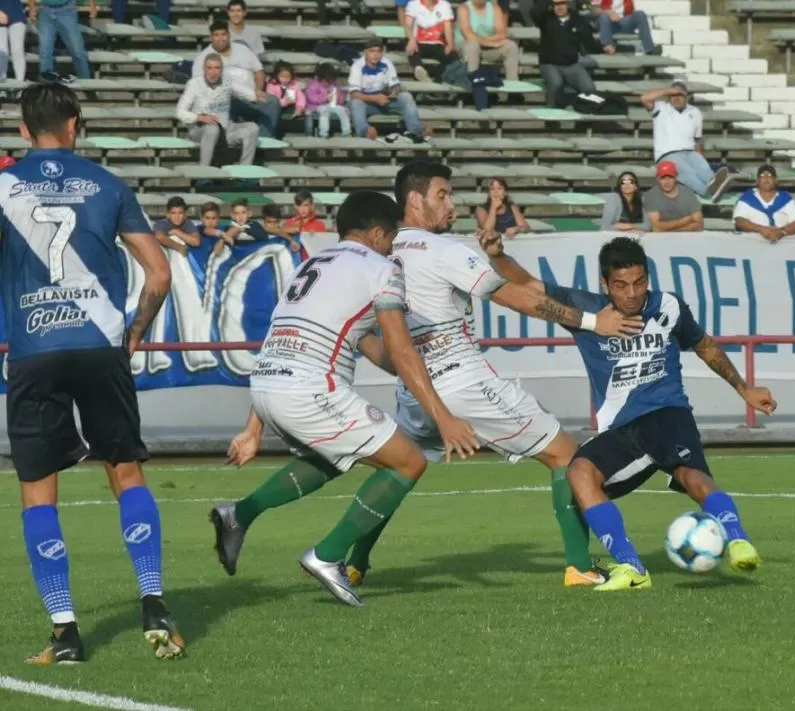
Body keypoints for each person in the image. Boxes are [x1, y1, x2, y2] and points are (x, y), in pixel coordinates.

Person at [212, 161, 645, 591]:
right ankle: (579, 566)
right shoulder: (440, 251)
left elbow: (376, 344)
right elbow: (515, 297)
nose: (451, 204)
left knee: (393, 465)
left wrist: (254, 424)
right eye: (443, 194)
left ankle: (355, 561)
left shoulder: (362, 256)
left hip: (408, 389)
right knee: (564, 455)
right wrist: (592, 322)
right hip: (461, 384)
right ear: (414, 200)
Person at [213, 191, 478, 607]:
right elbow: (402, 349)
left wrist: (253, 427)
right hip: (309, 390)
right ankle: (328, 556)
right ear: (377, 233)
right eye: (391, 238)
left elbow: (365, 345)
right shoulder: (381, 267)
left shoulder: (313, 263)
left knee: (331, 458)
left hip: (267, 384)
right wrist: (443, 417)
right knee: (408, 462)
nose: (393, 247)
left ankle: (238, 515)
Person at [479, 234, 777, 590]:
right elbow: (526, 284)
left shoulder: (668, 306)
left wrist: (744, 388)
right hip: (623, 430)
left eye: (639, 283)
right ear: (605, 284)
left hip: (668, 413)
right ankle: (663, 557)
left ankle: (717, 545)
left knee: (665, 475)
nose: (632, 293)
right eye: (621, 285)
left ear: (647, 278)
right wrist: (498, 255)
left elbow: (704, 345)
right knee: (600, 473)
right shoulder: (586, 310)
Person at [0, 83, 181, 663]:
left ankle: (66, 632)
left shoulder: (4, 187)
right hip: (101, 346)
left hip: (33, 349)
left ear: (23, 131)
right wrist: (134, 332)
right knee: (125, 473)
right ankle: (152, 602)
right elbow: (157, 274)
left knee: (38, 494)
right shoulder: (109, 185)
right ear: (75, 125)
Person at [640, 81, 732, 202]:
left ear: (687, 97)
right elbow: (644, 98)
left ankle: (716, 187)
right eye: (673, 95)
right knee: (687, 173)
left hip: (690, 151)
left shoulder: (695, 112)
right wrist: (668, 91)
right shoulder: (661, 108)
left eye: (680, 95)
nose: (676, 98)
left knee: (704, 169)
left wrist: (700, 158)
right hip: (667, 153)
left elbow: (697, 140)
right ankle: (708, 192)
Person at [191, 20, 281, 139]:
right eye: (216, 35)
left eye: (223, 34)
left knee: (272, 102)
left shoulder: (242, 49)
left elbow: (259, 70)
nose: (221, 38)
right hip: (223, 100)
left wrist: (258, 89)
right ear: (211, 37)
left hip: (250, 98)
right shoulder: (203, 58)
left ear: (229, 35)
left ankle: (263, 141)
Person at [177, 52, 260, 168]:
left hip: (225, 128)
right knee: (212, 129)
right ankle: (204, 170)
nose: (213, 72)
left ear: (221, 70)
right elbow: (180, 112)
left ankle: (245, 171)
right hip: (200, 130)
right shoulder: (194, 84)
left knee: (252, 128)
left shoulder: (227, 82)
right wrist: (200, 117)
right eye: (209, 68)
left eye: (217, 68)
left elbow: (247, 93)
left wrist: (258, 95)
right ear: (204, 69)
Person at [348, 38, 424, 143]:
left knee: (406, 97)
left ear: (382, 52)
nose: (375, 55)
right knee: (355, 103)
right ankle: (365, 132)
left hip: (385, 100)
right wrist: (374, 98)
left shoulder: (387, 63)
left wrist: (394, 93)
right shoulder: (357, 67)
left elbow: (396, 85)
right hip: (366, 102)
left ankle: (414, 132)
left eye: (378, 52)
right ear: (365, 52)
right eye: (372, 51)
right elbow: (354, 94)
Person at [532, 0, 600, 108]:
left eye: (562, 4)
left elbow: (589, 41)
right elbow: (535, 12)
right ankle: (551, 118)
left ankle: (582, 120)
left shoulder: (577, 20)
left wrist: (605, 46)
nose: (559, 7)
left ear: (568, 4)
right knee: (556, 84)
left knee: (589, 89)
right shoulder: (546, 18)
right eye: (556, 4)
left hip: (572, 64)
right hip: (549, 64)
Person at [732, 164, 795, 242]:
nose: (766, 178)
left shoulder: (786, 198)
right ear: (757, 181)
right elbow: (740, 221)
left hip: (782, 244)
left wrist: (781, 232)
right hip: (753, 245)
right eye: (762, 176)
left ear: (776, 180)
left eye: (770, 176)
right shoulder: (747, 198)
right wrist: (762, 229)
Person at [28, 0, 94, 81]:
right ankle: (46, 86)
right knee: (45, 52)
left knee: (78, 52)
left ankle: (86, 85)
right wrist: (32, 6)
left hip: (67, 11)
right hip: (45, 11)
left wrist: (92, 5)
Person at [456, 0, 520, 80]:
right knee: (473, 45)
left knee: (511, 46)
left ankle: (513, 84)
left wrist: (485, 42)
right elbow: (468, 35)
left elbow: (502, 34)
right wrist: (491, 43)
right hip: (466, 48)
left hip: (488, 49)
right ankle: (474, 84)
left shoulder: (495, 8)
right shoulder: (464, 8)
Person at [404, 0, 460, 82]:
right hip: (418, 43)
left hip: (438, 44)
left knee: (453, 57)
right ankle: (419, 69)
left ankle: (438, 79)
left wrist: (450, 44)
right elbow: (407, 26)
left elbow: (448, 28)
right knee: (412, 48)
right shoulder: (413, 4)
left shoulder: (445, 5)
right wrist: (411, 40)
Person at [643, 161, 703, 232]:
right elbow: (656, 227)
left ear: (676, 177)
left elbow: (699, 225)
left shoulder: (688, 193)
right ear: (657, 178)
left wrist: (674, 229)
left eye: (670, 177)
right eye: (663, 177)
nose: (667, 181)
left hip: (686, 237)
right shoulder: (650, 196)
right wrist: (684, 221)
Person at [589, 0, 654, 56]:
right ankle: (607, 46)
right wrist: (608, 12)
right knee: (604, 17)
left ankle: (650, 50)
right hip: (607, 23)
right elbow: (593, 10)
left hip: (623, 21)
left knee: (640, 14)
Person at [304, 62, 351, 138]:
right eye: (328, 81)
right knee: (324, 111)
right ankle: (323, 133)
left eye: (332, 81)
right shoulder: (314, 84)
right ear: (321, 78)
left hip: (332, 105)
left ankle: (346, 132)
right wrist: (325, 98)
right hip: (316, 106)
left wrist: (338, 99)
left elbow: (341, 96)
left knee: (343, 111)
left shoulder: (334, 84)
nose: (330, 83)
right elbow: (311, 98)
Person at [0, 0, 28, 84]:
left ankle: (20, 85)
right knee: (2, 51)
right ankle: (2, 86)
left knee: (18, 50)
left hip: (17, 14)